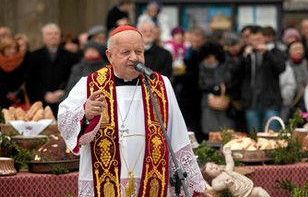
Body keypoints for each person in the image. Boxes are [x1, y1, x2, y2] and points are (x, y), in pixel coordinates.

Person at [58, 25, 206, 196]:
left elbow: (177, 135)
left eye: (138, 52)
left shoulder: (160, 85)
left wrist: (194, 187)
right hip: (104, 181)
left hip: (152, 180)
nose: (134, 58)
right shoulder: (89, 84)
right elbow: (64, 121)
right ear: (110, 56)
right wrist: (85, 114)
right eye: (126, 52)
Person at [237, 26, 286, 133]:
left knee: (272, 135)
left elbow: (281, 68)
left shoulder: (274, 52)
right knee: (254, 135)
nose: (255, 43)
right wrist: (244, 58)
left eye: (258, 40)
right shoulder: (245, 53)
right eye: (253, 40)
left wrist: (267, 53)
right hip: (252, 101)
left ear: (264, 38)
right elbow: (236, 73)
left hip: (271, 101)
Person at [26, 23, 80, 115]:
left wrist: (64, 91)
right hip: (41, 104)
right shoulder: (33, 56)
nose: (53, 36)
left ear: (60, 36)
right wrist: (44, 94)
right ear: (43, 37)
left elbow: (74, 78)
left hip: (65, 102)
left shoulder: (71, 57)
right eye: (49, 34)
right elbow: (31, 80)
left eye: (56, 33)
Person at [201, 147, 270, 197]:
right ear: (209, 175)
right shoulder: (215, 180)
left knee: (259, 190)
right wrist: (225, 183)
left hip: (247, 189)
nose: (213, 166)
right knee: (258, 191)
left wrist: (227, 154)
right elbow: (216, 187)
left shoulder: (226, 170)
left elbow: (230, 163)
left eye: (212, 164)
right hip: (240, 194)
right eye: (211, 169)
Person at [198, 41, 234, 135]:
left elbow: (228, 80)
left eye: (210, 57)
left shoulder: (224, 66)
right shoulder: (202, 66)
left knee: (224, 129)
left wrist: (219, 87)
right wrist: (211, 88)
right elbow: (201, 83)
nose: (208, 60)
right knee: (210, 129)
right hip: (208, 102)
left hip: (222, 101)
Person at [0, 36, 29, 108]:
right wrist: (7, 94)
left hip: (20, 99)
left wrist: (16, 94)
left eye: (15, 48)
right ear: (3, 49)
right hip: (2, 99)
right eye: (9, 48)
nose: (13, 51)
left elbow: (26, 79)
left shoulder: (23, 60)